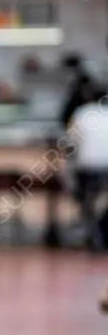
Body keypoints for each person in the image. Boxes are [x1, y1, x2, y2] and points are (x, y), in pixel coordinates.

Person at [69, 87, 108, 250]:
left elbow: (71, 143)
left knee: (85, 199)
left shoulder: (80, 114)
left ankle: (92, 234)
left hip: (88, 168)